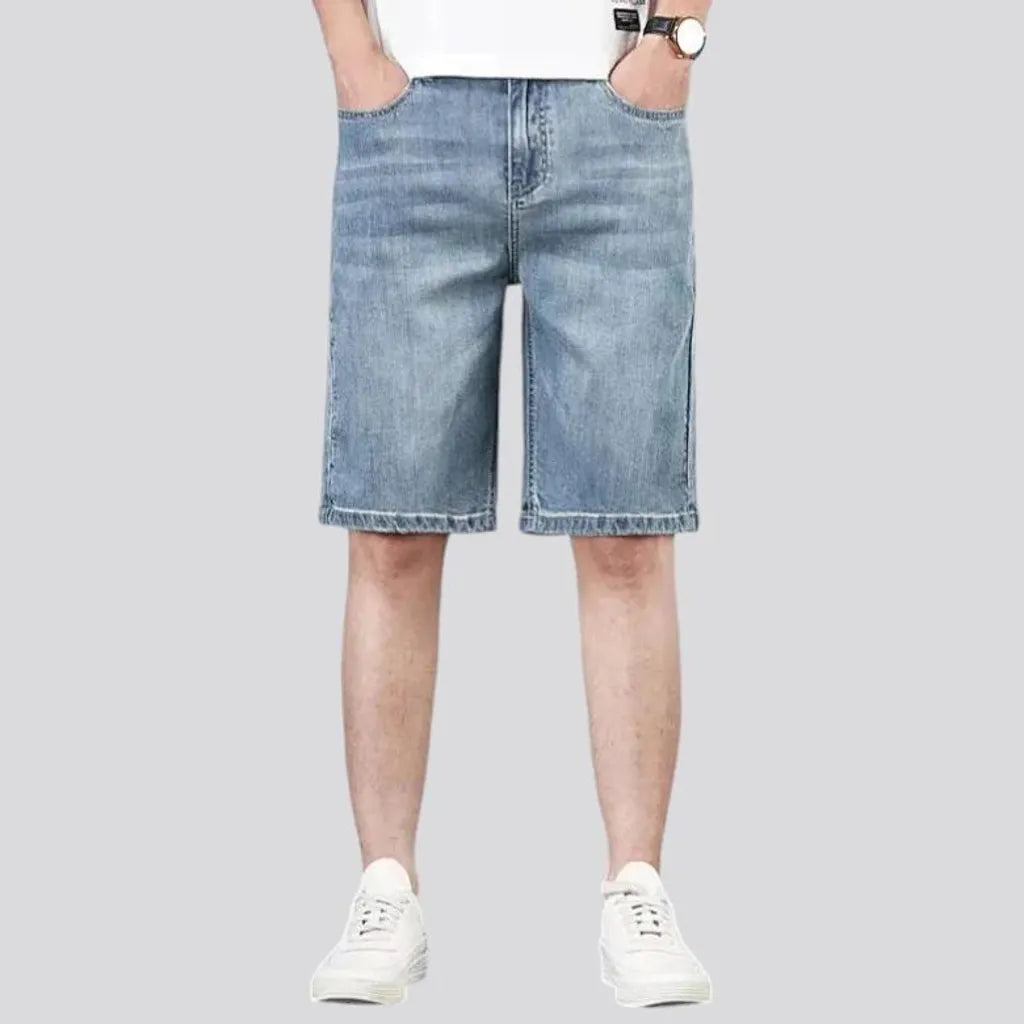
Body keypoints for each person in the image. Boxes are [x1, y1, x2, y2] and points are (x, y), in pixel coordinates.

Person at [308, 0, 714, 1008]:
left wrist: (673, 41)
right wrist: (351, 51)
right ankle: (385, 889)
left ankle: (637, 886)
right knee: (391, 528)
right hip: (409, 113)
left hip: (616, 114)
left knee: (627, 531)